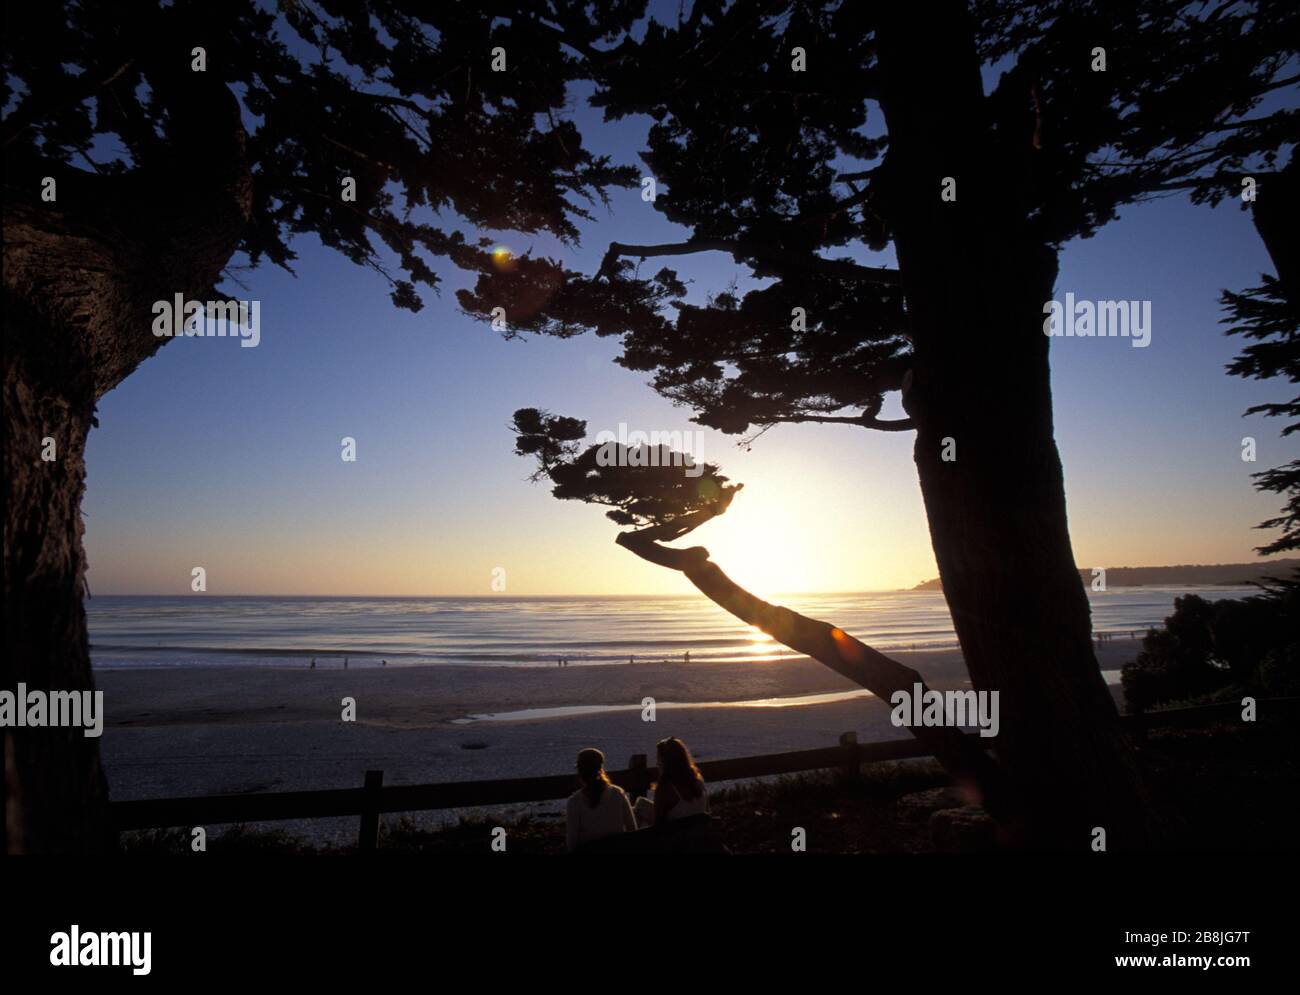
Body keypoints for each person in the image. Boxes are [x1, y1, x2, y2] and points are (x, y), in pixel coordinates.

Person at [566, 748, 636, 852]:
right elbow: (632, 829)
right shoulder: (618, 793)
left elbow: (572, 843)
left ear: (579, 771)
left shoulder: (574, 802)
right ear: (601, 768)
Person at [634, 736, 709, 828]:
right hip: (697, 834)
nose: (657, 763)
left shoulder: (665, 788)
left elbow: (657, 826)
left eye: (658, 759)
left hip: (674, 838)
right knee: (641, 804)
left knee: (639, 808)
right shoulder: (698, 781)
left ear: (664, 761)